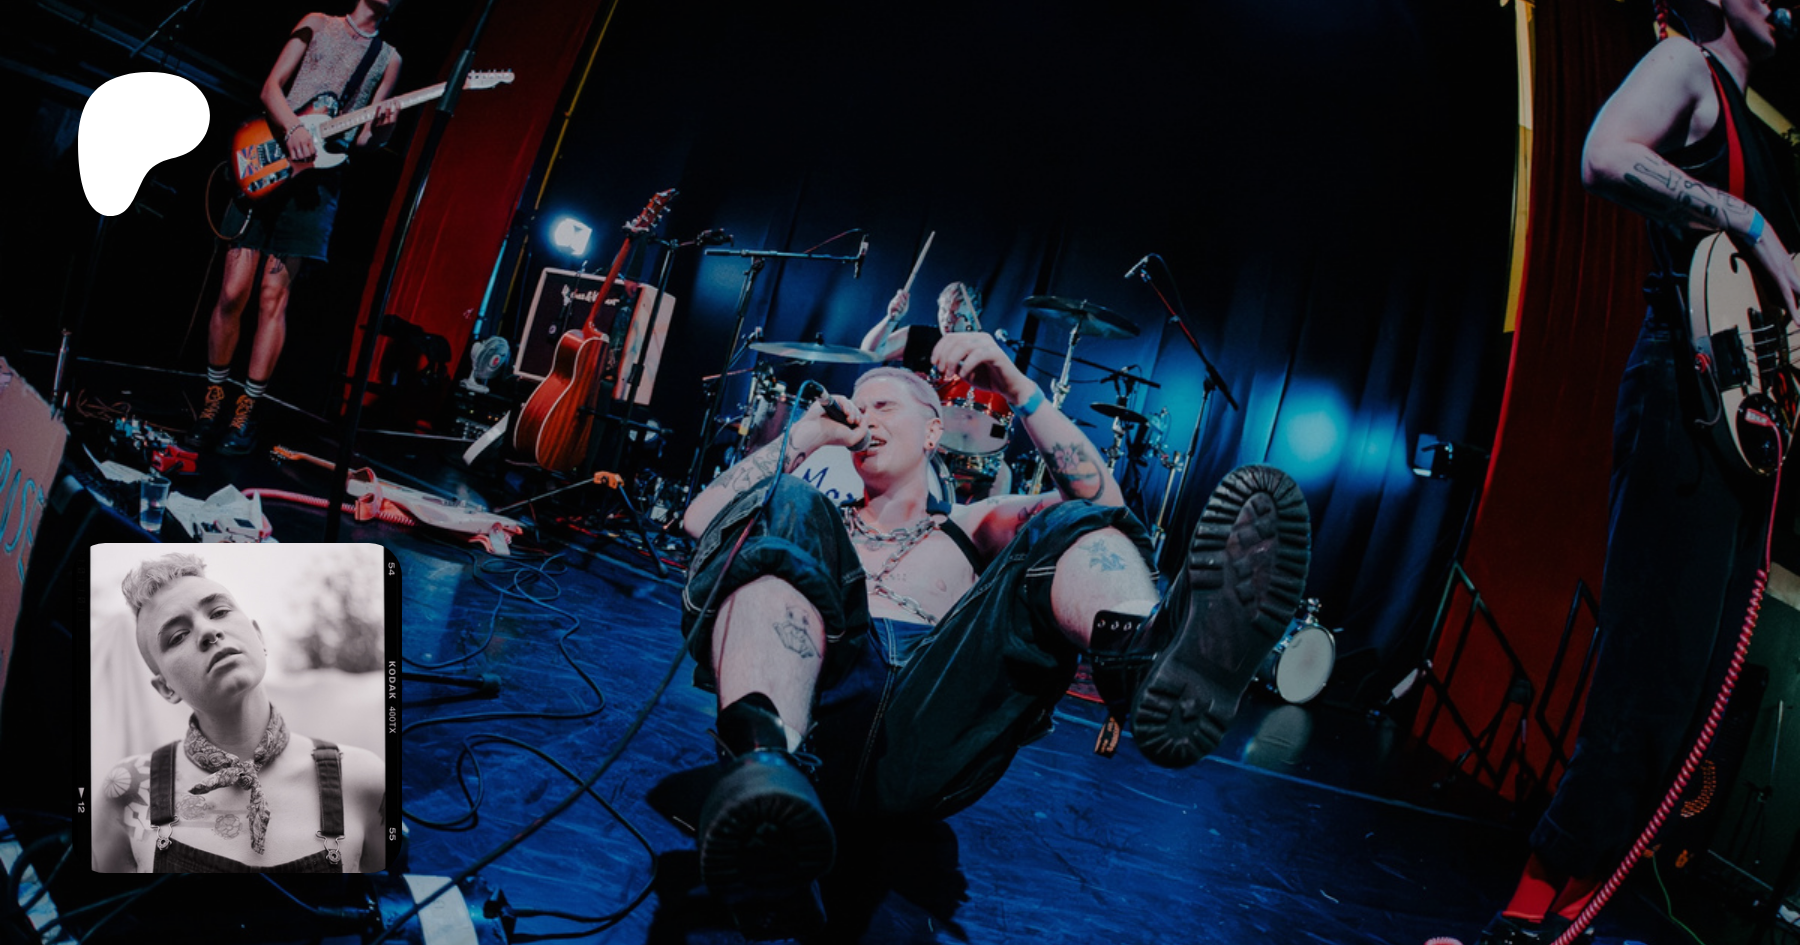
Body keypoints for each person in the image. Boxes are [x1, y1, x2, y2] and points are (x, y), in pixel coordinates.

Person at [678, 328, 1312, 935]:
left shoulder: (970, 522)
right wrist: (806, 434)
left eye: (883, 405)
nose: (863, 417)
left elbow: (1102, 504)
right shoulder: (815, 519)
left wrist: (1016, 386)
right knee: (781, 507)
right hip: (816, 711)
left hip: (931, 717)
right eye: (857, 405)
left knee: (1067, 521)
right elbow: (701, 523)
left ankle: (1142, 658)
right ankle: (763, 790)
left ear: (934, 430)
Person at [1472, 1, 1800, 942]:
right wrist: (1745, 218)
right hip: (1683, 396)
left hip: (1747, 430)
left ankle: (1578, 909)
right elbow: (1604, 154)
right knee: (1647, 674)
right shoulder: (1688, 67)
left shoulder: (1773, 144)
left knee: (1692, 695)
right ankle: (1528, 909)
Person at [191, 1, 403, 454]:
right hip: (269, 158)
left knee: (273, 298)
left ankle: (244, 412)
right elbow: (271, 87)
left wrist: (384, 131)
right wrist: (292, 129)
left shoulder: (389, 58)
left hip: (318, 183)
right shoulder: (317, 24)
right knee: (232, 292)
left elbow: (365, 138)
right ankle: (212, 400)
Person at [92, 553, 386, 873]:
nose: (208, 631)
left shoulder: (361, 778)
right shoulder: (129, 790)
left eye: (219, 612)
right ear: (165, 688)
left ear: (259, 637)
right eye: (178, 636)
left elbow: (396, 900)